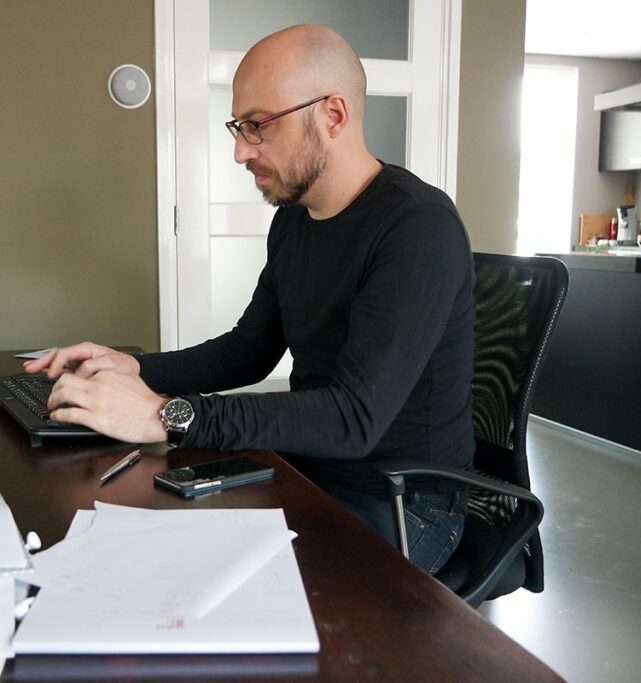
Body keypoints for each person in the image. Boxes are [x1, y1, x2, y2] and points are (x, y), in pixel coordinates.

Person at [25, 24, 474, 574]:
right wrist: (136, 368)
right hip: (311, 467)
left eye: (258, 126)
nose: (241, 151)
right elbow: (251, 348)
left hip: (401, 503)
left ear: (333, 115)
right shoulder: (295, 218)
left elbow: (353, 419)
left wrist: (167, 415)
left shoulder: (417, 228)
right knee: (139, 544)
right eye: (239, 127)